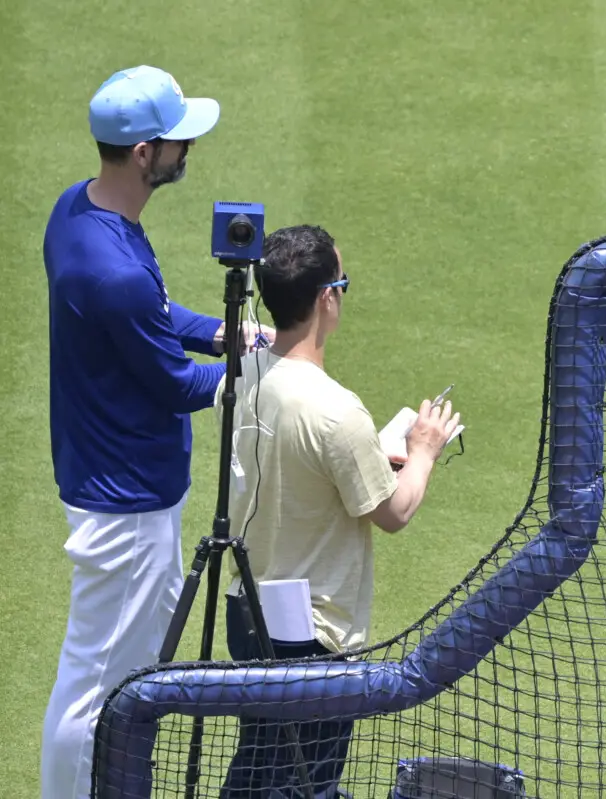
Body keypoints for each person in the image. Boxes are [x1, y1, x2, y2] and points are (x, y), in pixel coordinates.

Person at [40, 65, 272, 799]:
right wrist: (262, 375)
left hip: (115, 485)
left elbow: (155, 318)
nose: (187, 150)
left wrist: (230, 335)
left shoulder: (77, 212)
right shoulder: (116, 269)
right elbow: (172, 382)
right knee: (100, 689)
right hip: (128, 509)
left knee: (117, 675)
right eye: (177, 140)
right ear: (144, 153)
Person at [216, 225, 461, 799]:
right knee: (300, 784)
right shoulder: (334, 410)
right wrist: (423, 451)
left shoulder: (245, 372)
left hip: (246, 612)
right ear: (327, 297)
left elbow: (301, 468)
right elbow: (393, 511)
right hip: (312, 634)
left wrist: (368, 457)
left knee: (261, 768)